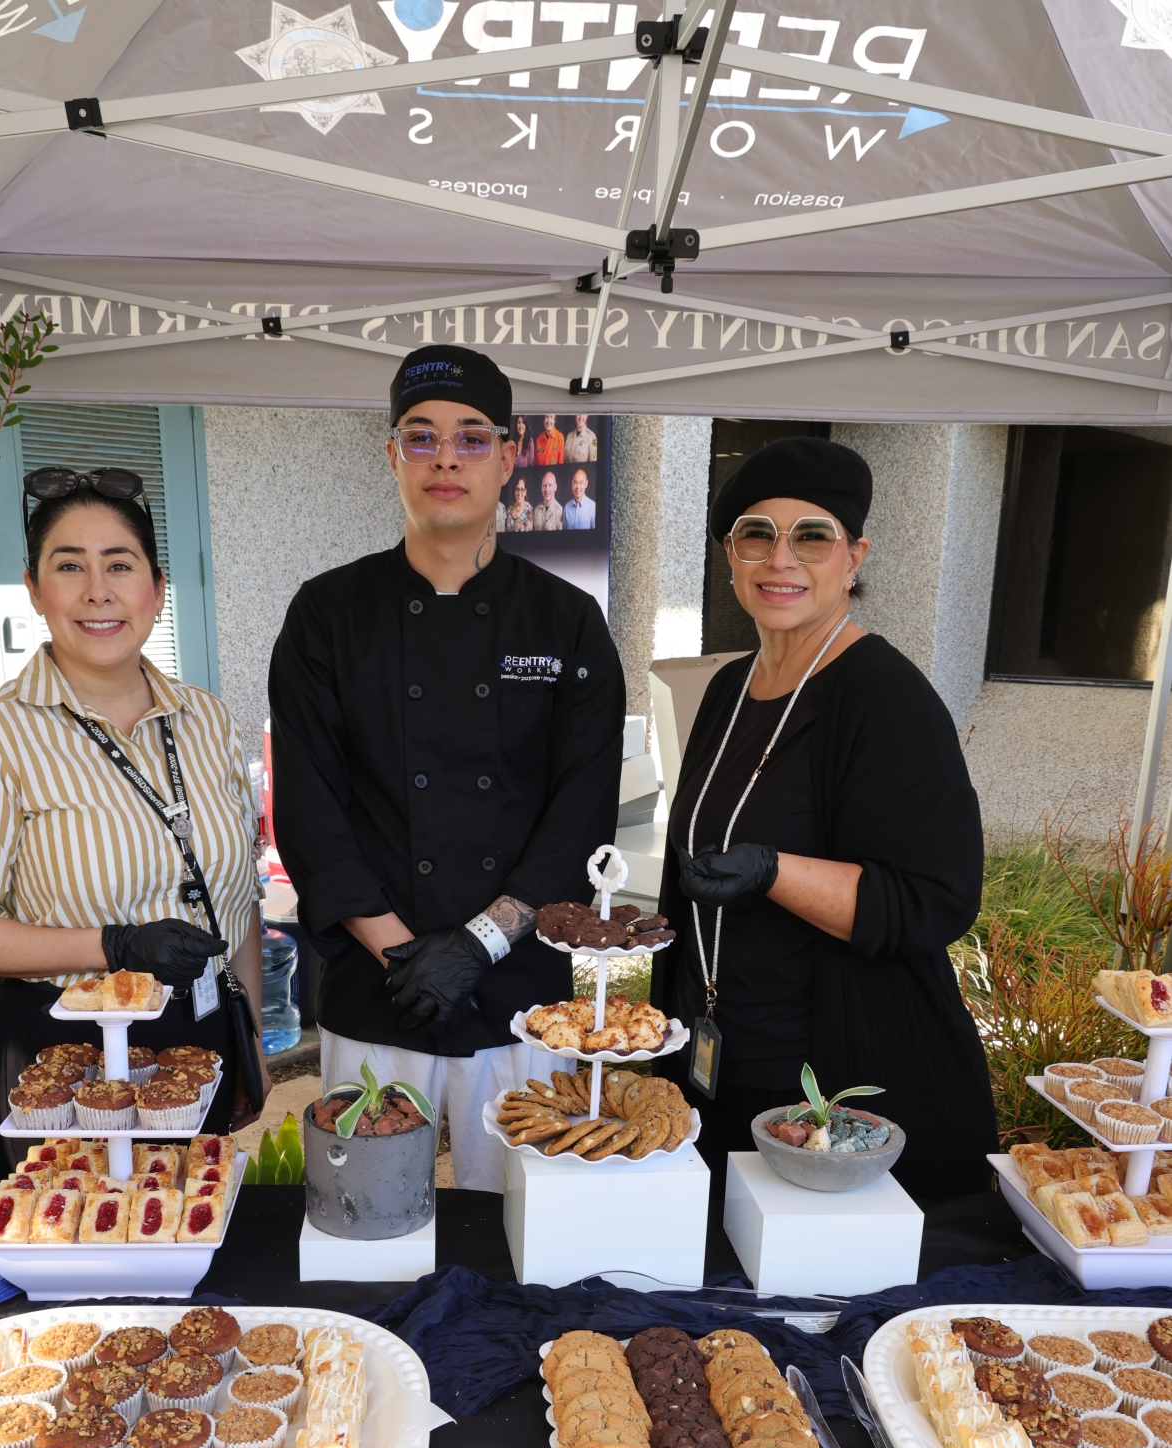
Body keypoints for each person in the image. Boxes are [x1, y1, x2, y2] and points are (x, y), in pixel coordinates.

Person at [269, 345, 626, 1190]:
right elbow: (311, 805)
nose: (445, 459)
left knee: (521, 1224)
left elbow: (581, 810)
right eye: (421, 437)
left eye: (471, 438)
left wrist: (476, 944)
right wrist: (403, 955)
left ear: (508, 457)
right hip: (376, 987)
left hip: (519, 998)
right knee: (365, 1217)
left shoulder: (567, 622)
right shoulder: (327, 613)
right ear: (391, 453)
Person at [651, 435, 997, 1205]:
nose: (781, 560)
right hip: (709, 1057)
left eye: (812, 535)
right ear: (728, 555)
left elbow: (932, 899)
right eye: (755, 535)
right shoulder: (728, 686)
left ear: (854, 557)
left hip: (821, 1091)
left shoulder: (884, 698)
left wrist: (773, 871)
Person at [0, 468, 266, 1139]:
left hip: (203, 1035)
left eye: (119, 565)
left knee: (198, 1232)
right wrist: (115, 945)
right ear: (33, 589)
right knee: (85, 1233)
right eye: (69, 565)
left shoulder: (207, 719)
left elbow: (238, 896)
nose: (97, 591)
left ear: (157, 589)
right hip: (63, 1056)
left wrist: (246, 1035)